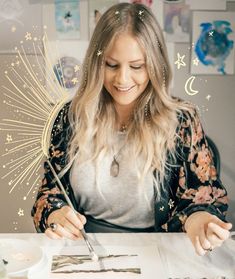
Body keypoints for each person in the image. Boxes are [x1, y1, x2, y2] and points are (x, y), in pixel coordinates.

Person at [31, 2, 232, 256]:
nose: (122, 79)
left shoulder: (183, 120)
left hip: (159, 253)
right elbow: (48, 194)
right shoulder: (71, 116)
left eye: (137, 66)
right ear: (96, 62)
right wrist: (55, 213)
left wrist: (198, 219)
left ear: (155, 65)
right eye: (111, 65)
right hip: (84, 251)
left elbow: (204, 195)